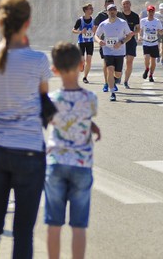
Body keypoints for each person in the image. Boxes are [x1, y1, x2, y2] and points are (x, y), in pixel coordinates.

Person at [0, 0, 51, 258]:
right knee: (23, 232)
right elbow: (43, 101)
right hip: (29, 150)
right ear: (27, 22)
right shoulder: (38, 60)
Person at [44, 42, 101, 259]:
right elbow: (83, 118)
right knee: (79, 226)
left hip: (56, 162)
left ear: (54, 69)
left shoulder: (50, 100)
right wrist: (92, 126)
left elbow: (54, 120)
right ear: (81, 64)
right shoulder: (90, 99)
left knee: (53, 224)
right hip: (82, 165)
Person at [95, 3, 132, 102]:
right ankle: (112, 93)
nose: (112, 12)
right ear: (107, 12)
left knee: (118, 74)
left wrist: (121, 42)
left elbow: (129, 35)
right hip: (107, 50)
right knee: (110, 70)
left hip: (119, 51)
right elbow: (96, 35)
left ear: (116, 11)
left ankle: (116, 79)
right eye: (110, 10)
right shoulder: (103, 24)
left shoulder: (122, 23)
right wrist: (99, 41)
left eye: (114, 10)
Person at [117, 0, 140, 89]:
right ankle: (118, 76)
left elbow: (138, 28)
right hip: (120, 41)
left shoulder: (135, 16)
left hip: (130, 41)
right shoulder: (118, 15)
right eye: (124, 4)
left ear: (130, 5)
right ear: (121, 5)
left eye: (127, 4)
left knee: (129, 62)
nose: (126, 5)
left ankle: (126, 81)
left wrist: (133, 33)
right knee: (119, 61)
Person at [72, 3, 96, 84]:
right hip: (81, 42)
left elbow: (96, 31)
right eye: (90, 8)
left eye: (92, 8)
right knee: (82, 61)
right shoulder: (80, 20)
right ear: (85, 10)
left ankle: (85, 77)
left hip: (90, 42)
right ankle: (81, 66)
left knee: (88, 61)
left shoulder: (93, 20)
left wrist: (94, 30)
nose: (92, 10)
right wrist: (80, 31)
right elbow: (73, 30)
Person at [138, 5, 163, 83]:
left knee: (153, 61)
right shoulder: (143, 21)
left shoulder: (157, 21)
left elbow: (161, 32)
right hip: (146, 42)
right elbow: (140, 30)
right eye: (149, 11)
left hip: (154, 43)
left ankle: (151, 75)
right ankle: (147, 69)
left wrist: (160, 31)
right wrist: (139, 36)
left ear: (154, 12)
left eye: (152, 11)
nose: (151, 13)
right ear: (147, 12)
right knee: (146, 58)